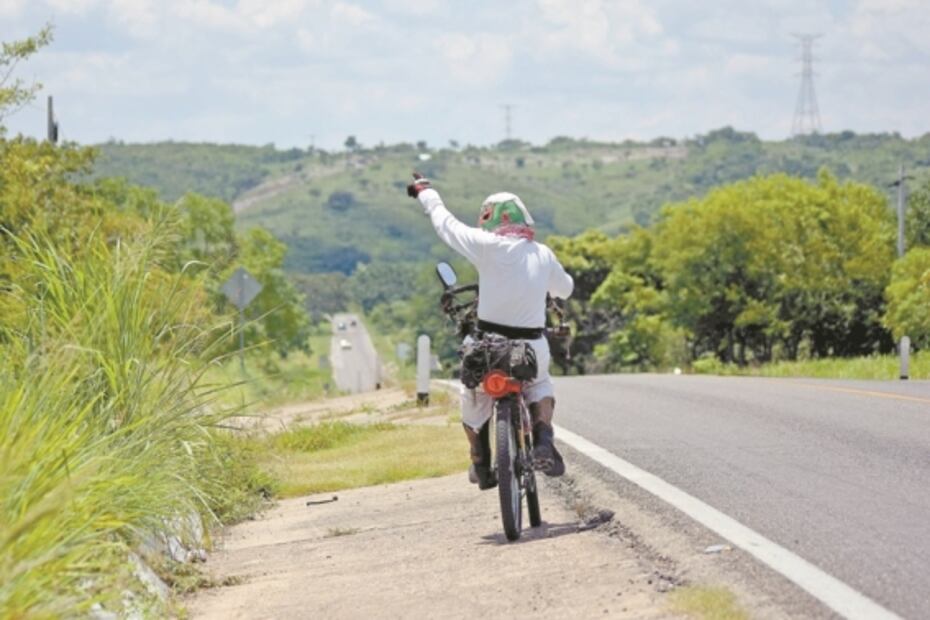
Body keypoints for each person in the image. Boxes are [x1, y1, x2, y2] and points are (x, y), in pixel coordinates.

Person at [406, 173, 574, 490]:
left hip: (487, 346)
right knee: (540, 385)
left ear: (488, 219)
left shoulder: (485, 245)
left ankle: (479, 460)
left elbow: (444, 223)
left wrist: (425, 192)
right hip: (531, 346)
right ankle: (542, 437)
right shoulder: (543, 253)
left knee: (472, 395)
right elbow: (565, 290)